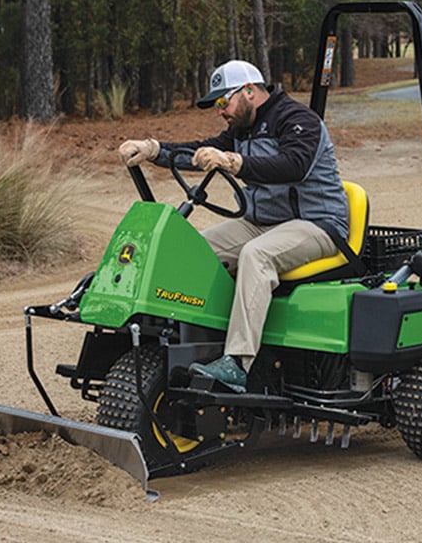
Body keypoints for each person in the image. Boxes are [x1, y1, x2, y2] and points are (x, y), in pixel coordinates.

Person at [117, 60, 348, 393]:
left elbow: (293, 166)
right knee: (192, 251)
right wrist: (154, 150)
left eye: (224, 102)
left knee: (257, 256)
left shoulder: (298, 120)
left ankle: (238, 363)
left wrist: (235, 162)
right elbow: (201, 151)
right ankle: (183, 339)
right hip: (263, 223)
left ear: (250, 91)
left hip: (318, 224)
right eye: (217, 105)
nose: (220, 111)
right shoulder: (242, 128)